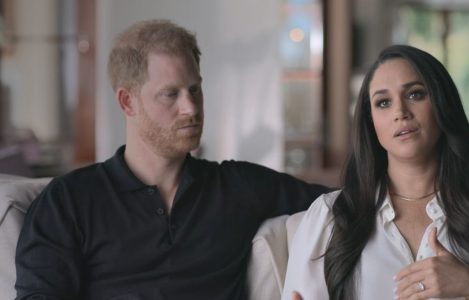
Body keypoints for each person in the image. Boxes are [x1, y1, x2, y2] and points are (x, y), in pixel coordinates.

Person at [15, 19, 329, 300]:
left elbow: (345, 204)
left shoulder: (238, 186)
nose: (191, 108)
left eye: (195, 90)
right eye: (171, 94)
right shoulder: (68, 201)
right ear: (128, 102)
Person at [282, 45, 469, 300]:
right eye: (383, 102)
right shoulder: (328, 218)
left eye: (415, 94)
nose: (400, 111)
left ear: (443, 104)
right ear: (371, 121)